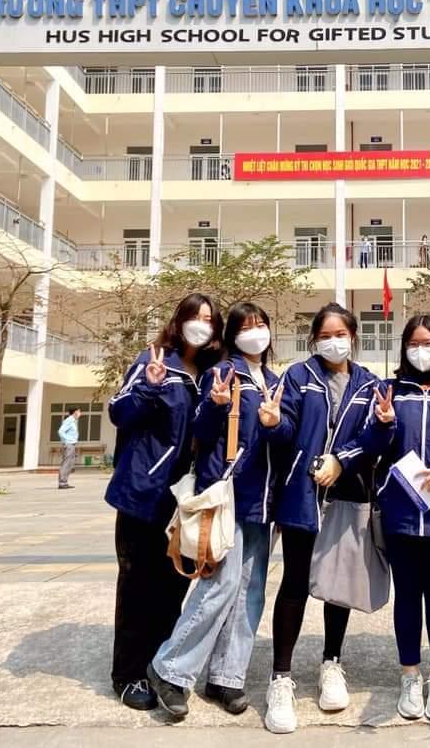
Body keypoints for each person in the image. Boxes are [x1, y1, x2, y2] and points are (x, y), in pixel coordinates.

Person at [321, 314, 430, 724]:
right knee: (408, 594)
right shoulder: (389, 390)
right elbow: (371, 447)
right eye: (414, 343)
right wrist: (384, 423)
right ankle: (410, 675)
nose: (421, 350)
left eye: (428, 343)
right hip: (399, 510)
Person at [148, 302, 283, 719]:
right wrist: (218, 405)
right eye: (246, 327)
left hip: (264, 500)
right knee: (219, 586)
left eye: (261, 325)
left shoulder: (276, 381)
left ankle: (227, 676)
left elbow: (285, 438)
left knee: (251, 591)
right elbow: (201, 432)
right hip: (228, 495)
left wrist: (278, 422)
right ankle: (169, 668)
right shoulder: (221, 372)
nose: (255, 333)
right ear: (234, 335)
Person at [257, 303, 380, 735]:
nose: (333, 341)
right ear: (315, 340)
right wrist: (273, 423)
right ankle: (281, 678)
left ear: (353, 337)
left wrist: (342, 461)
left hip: (346, 495)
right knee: (295, 583)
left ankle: (331, 663)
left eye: (340, 333)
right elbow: (287, 429)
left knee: (336, 585)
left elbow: (373, 436)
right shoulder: (298, 376)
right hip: (303, 495)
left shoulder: (368, 383)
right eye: (325, 334)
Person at [106, 293, 224, 711]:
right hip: (143, 492)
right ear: (180, 320)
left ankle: (159, 666)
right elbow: (118, 412)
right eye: (194, 316)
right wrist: (149, 388)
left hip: (183, 499)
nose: (201, 324)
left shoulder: (211, 373)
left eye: (209, 319)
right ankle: (127, 674)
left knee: (173, 585)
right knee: (138, 585)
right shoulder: (155, 360)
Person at [57, 407, 81, 489]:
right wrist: (68, 440)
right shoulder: (69, 420)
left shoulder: (74, 421)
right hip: (69, 444)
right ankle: (62, 482)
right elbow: (60, 431)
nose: (80, 413)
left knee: (70, 463)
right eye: (79, 411)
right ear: (75, 412)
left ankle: (65, 482)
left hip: (72, 444)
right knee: (66, 463)